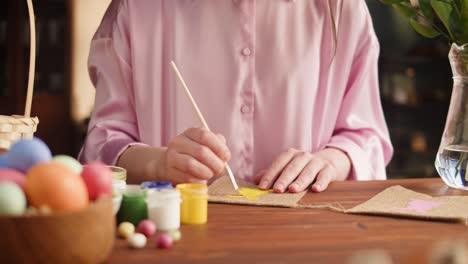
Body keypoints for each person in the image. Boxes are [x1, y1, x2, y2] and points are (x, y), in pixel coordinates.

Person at [79, 0, 393, 193]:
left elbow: (366, 137)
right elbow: (101, 146)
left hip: (305, 239)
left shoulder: (341, 8)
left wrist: (330, 161)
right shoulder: (135, 8)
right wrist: (159, 164)